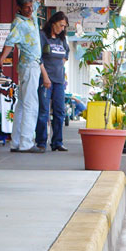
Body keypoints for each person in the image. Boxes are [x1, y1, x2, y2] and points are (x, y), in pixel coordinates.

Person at [0, 0, 48, 153]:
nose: (30, 9)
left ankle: (16, 142)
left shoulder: (31, 16)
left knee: (21, 105)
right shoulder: (18, 23)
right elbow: (9, 43)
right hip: (29, 66)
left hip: (31, 65)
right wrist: (1, 60)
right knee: (31, 104)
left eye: (31, 6)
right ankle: (26, 143)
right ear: (19, 8)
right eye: (26, 8)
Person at [35, 12, 70, 151]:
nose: (62, 28)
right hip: (46, 79)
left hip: (59, 80)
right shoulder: (43, 36)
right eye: (61, 25)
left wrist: (61, 65)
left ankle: (57, 142)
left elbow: (66, 53)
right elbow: (38, 57)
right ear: (53, 22)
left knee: (60, 111)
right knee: (44, 111)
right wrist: (45, 76)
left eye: (64, 26)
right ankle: (41, 142)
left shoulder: (62, 39)